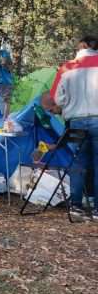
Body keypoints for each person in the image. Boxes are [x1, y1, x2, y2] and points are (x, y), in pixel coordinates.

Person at [51, 35, 98, 221]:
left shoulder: (67, 67)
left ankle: (76, 207)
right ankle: (96, 210)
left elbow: (58, 99)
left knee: (78, 165)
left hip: (76, 122)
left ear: (82, 46)